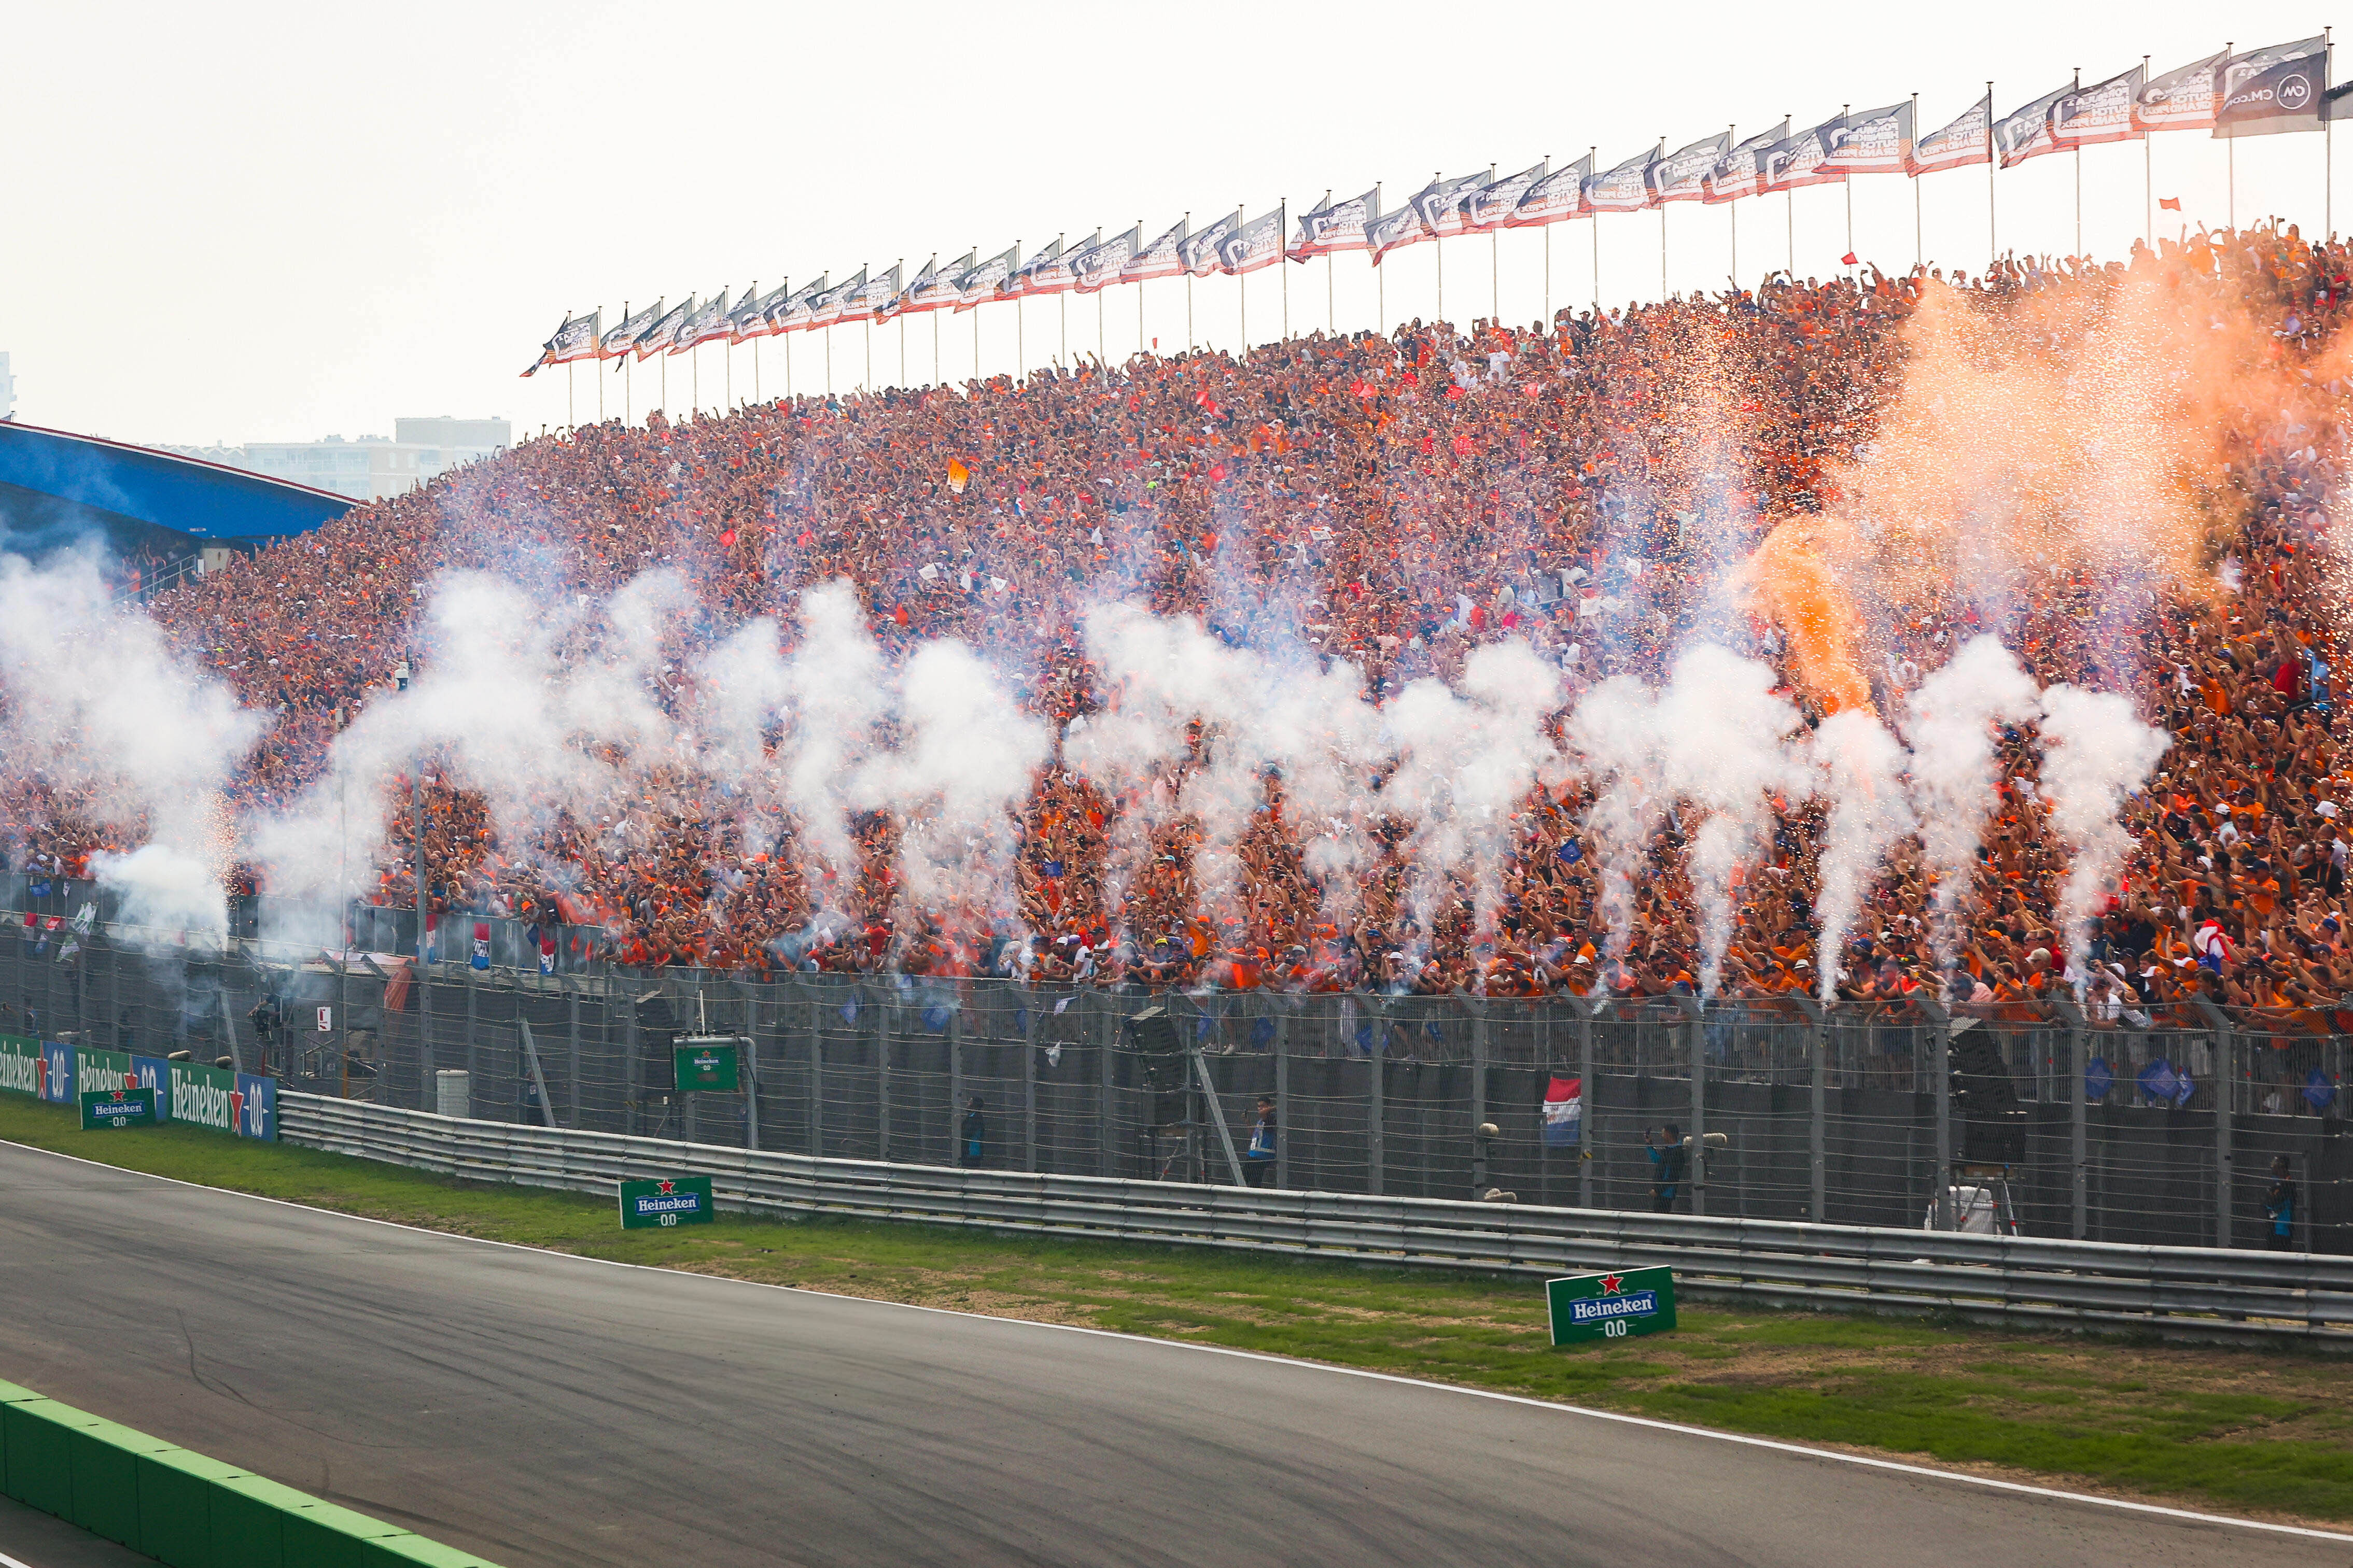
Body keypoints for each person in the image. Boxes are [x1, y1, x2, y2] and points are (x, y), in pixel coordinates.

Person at [1647, 1124, 1688, 1213]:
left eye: (1663, 1133)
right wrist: (1649, 1144)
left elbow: (1672, 1177)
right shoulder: (1668, 1150)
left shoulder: (1677, 1152)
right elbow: (1656, 1159)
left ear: (1669, 1134)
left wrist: (1658, 1190)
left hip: (1665, 1193)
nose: (1662, 1136)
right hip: (1661, 1192)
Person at [2264, 1154, 2297, 1251]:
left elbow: (2275, 1202)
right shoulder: (2278, 1184)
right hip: (2274, 1227)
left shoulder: (2288, 1184)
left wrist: (2270, 1198)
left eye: (2276, 1165)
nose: (2273, 1167)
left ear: (2282, 1167)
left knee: (2281, 1253)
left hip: (2282, 1229)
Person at [1242, 1094, 1276, 1187]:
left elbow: (1262, 1113)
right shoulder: (1261, 1120)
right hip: (1253, 1154)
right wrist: (1248, 1122)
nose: (1260, 1109)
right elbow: (1253, 1134)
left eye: (1263, 1106)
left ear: (1268, 1106)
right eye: (1259, 1106)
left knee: (1255, 1181)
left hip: (1262, 1155)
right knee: (1244, 1178)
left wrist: (1275, 1108)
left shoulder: (1270, 1118)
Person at [959, 1094, 986, 1168]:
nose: (968, 1104)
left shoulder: (976, 1118)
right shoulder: (972, 1117)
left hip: (972, 1153)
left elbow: (967, 1133)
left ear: (975, 1105)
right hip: (969, 1152)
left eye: (970, 1102)